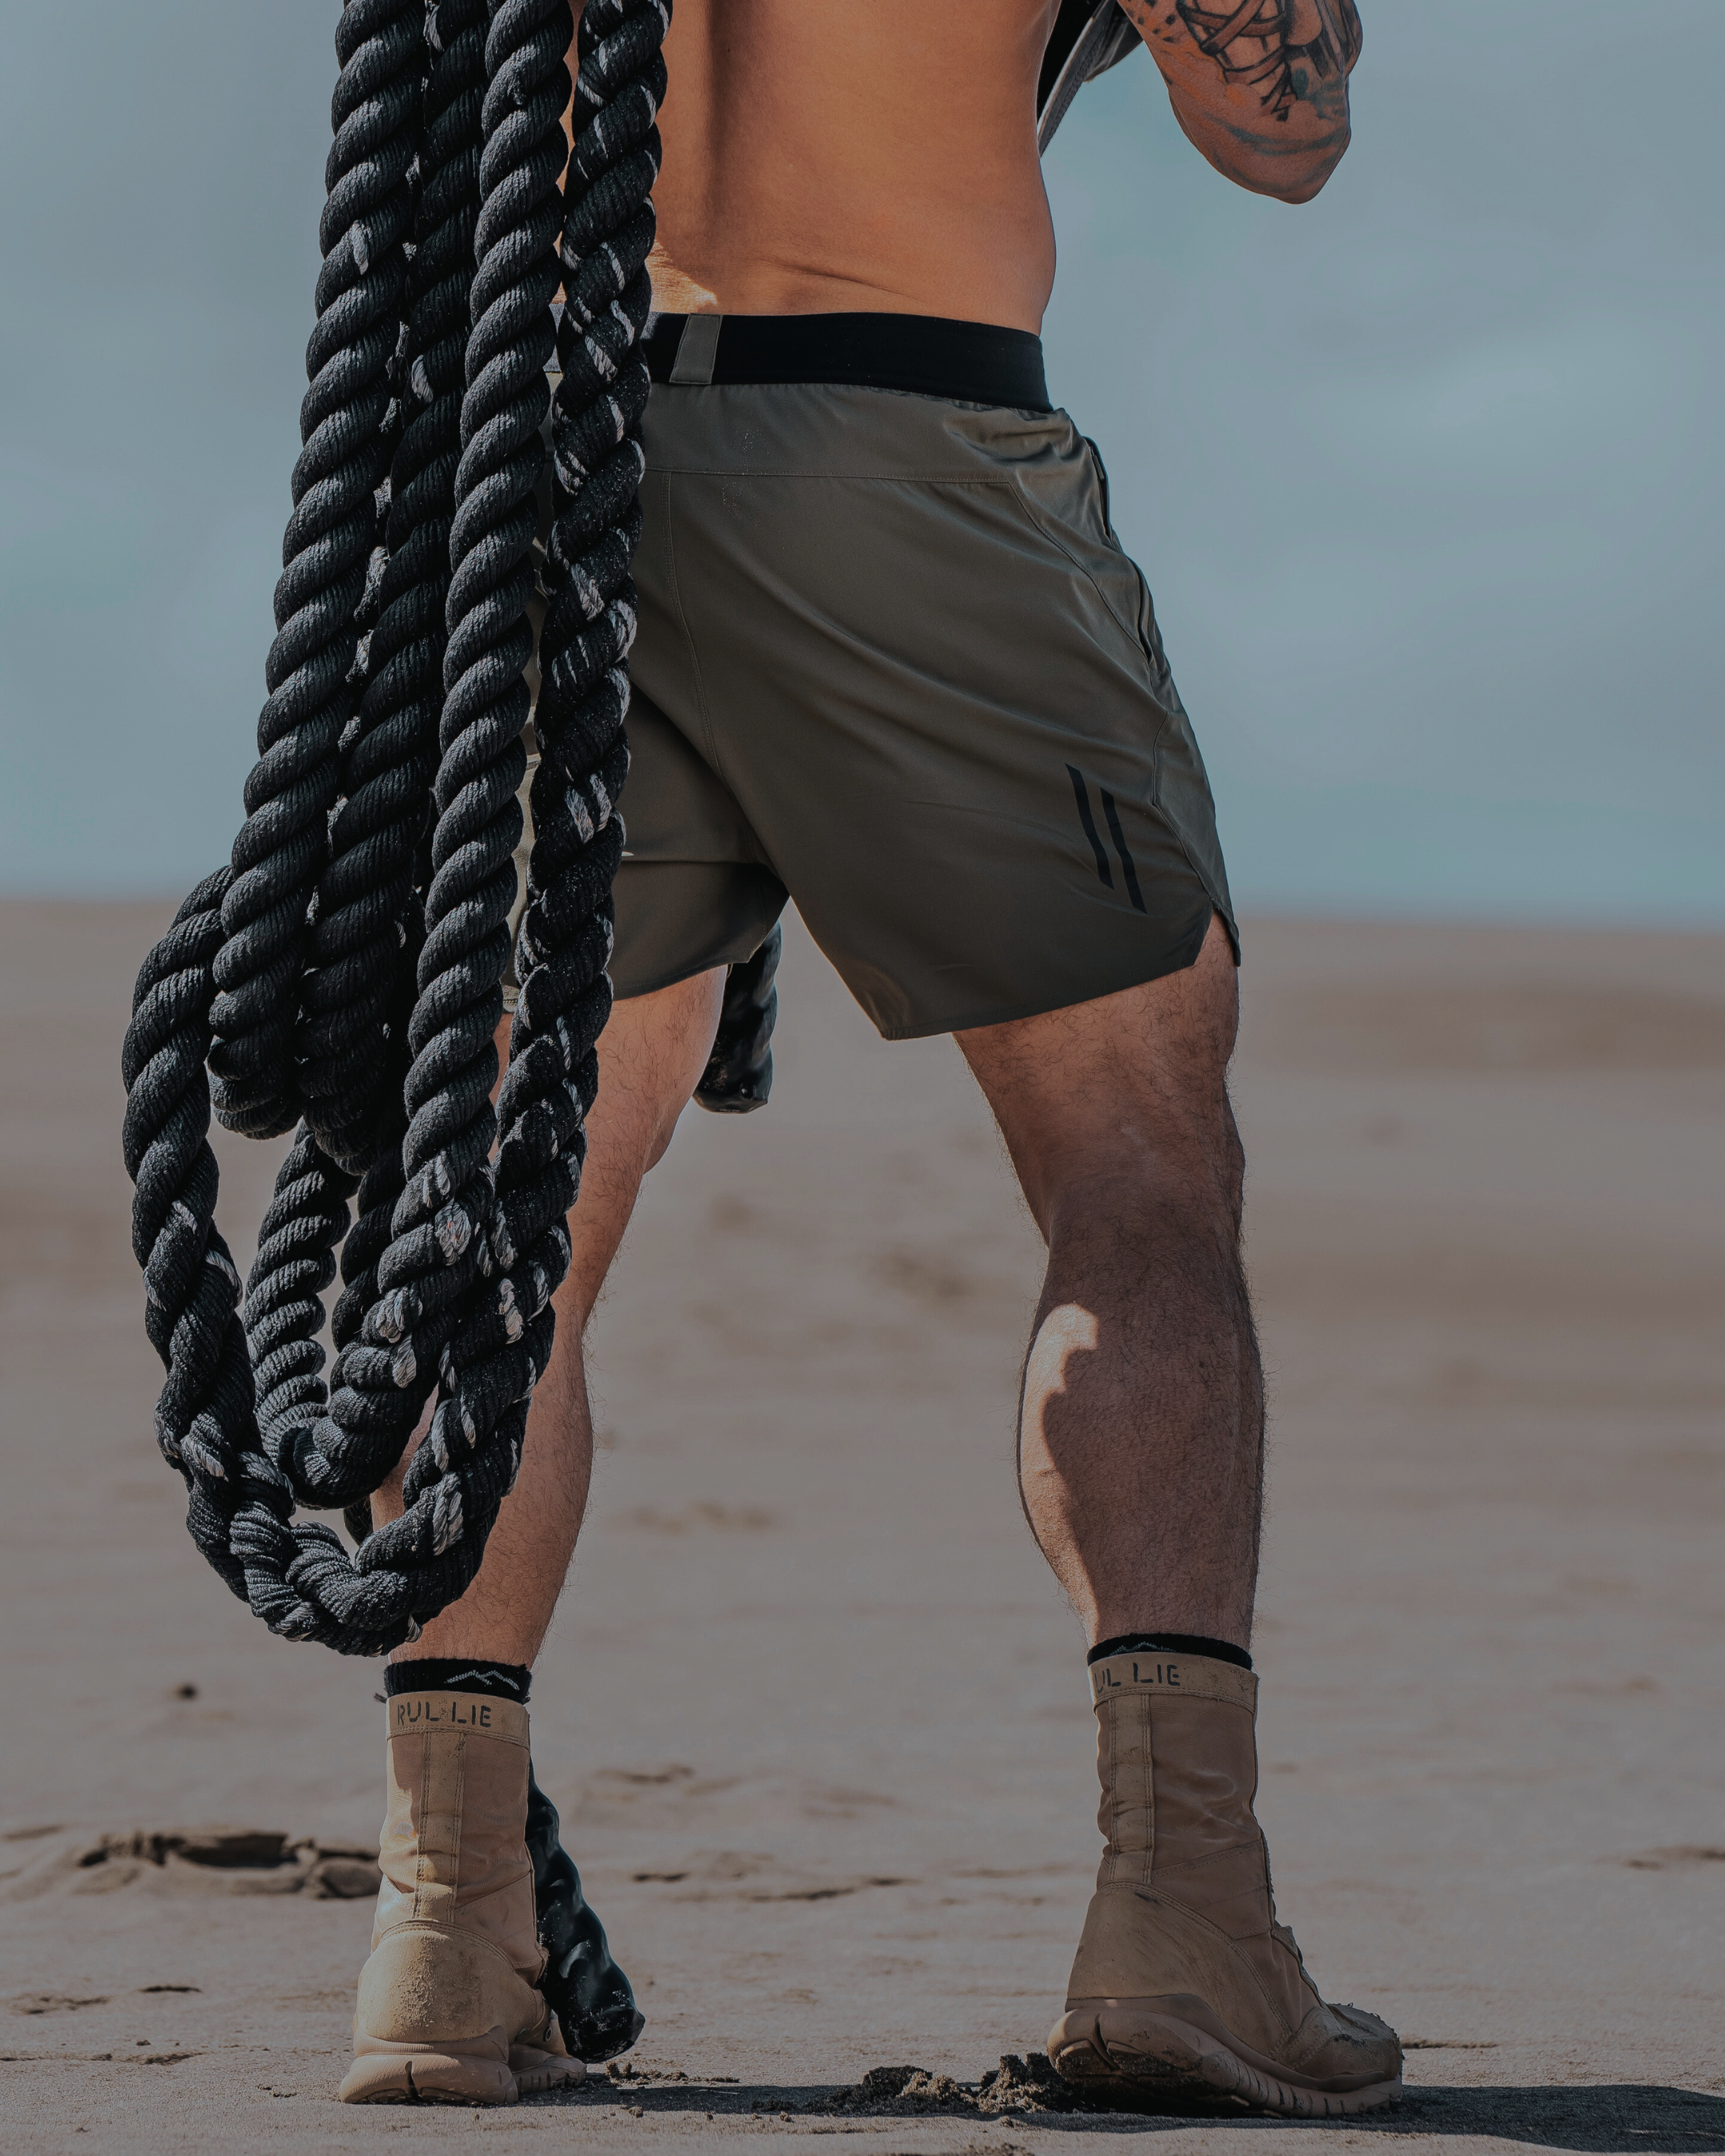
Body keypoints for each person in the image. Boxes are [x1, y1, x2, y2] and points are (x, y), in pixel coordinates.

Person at [340, 0, 1402, 2115]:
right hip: (906, 444)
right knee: (1137, 1180)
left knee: (512, 1217)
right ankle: (1185, 1916)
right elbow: (1275, 138)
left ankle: (447, 1936)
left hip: (554, 487)